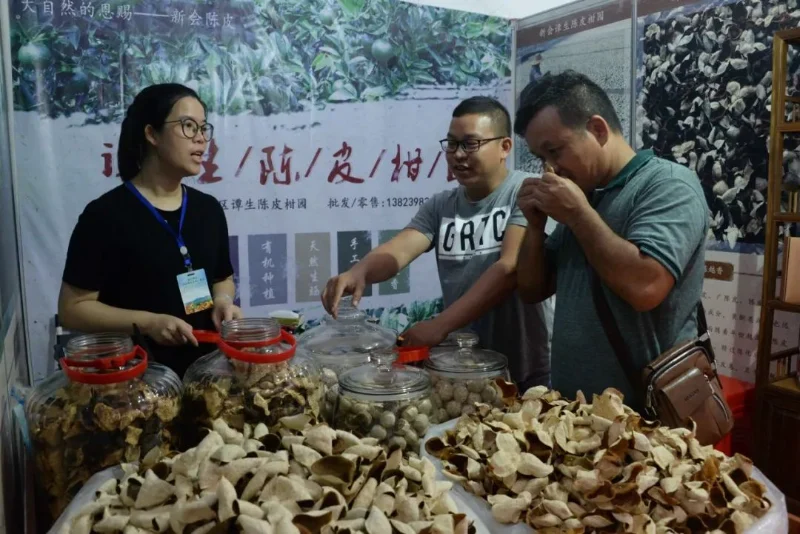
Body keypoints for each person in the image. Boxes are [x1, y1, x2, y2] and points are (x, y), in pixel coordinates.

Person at [322, 96, 553, 391]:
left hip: (523, 368)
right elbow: (400, 248)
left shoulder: (526, 192)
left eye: (470, 144)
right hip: (462, 369)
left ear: (505, 147)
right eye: (452, 144)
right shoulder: (441, 205)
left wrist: (439, 326)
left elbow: (509, 269)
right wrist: (360, 271)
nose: (458, 155)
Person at [513, 70, 708, 408]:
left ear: (598, 130)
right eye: (540, 158)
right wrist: (534, 225)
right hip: (575, 411)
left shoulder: (669, 184)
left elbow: (645, 287)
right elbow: (532, 289)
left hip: (645, 418)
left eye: (555, 151)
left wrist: (577, 214)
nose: (549, 168)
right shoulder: (585, 194)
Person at [58, 83, 242, 377]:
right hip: (136, 381)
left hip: (207, 373)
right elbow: (74, 308)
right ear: (151, 134)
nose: (201, 139)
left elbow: (222, 277)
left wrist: (222, 300)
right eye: (188, 126)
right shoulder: (104, 216)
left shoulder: (208, 210)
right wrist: (148, 323)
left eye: (203, 128)